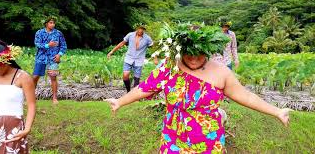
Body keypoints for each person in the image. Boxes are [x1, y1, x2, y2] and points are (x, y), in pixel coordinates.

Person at [105, 23, 291, 153]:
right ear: (180, 49)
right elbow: (143, 89)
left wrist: (277, 112)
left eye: (199, 54)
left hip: (208, 140)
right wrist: (119, 102)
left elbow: (247, 96)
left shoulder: (221, 72)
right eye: (188, 53)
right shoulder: (169, 67)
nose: (193, 59)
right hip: (173, 137)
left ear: (208, 50)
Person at [0, 40, 36, 154]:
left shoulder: (23, 77)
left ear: (7, 60)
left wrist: (27, 128)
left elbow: (32, 104)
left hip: (14, 130)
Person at [107, 25, 156, 92]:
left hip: (139, 60)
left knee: (136, 79)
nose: (140, 31)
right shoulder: (130, 35)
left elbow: (153, 48)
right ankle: (128, 91)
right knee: (125, 75)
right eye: (139, 29)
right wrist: (111, 52)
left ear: (144, 30)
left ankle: (133, 95)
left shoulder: (147, 38)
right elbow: (121, 44)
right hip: (129, 58)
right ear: (137, 29)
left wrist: (155, 58)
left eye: (142, 29)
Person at [33, 16, 67, 104]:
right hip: (41, 58)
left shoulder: (58, 33)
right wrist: (48, 45)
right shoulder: (39, 33)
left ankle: (55, 98)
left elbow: (63, 46)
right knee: (35, 77)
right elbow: (37, 44)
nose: (52, 24)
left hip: (53, 58)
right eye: (50, 23)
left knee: (53, 77)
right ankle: (31, 97)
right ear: (46, 23)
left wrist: (59, 55)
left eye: (53, 23)